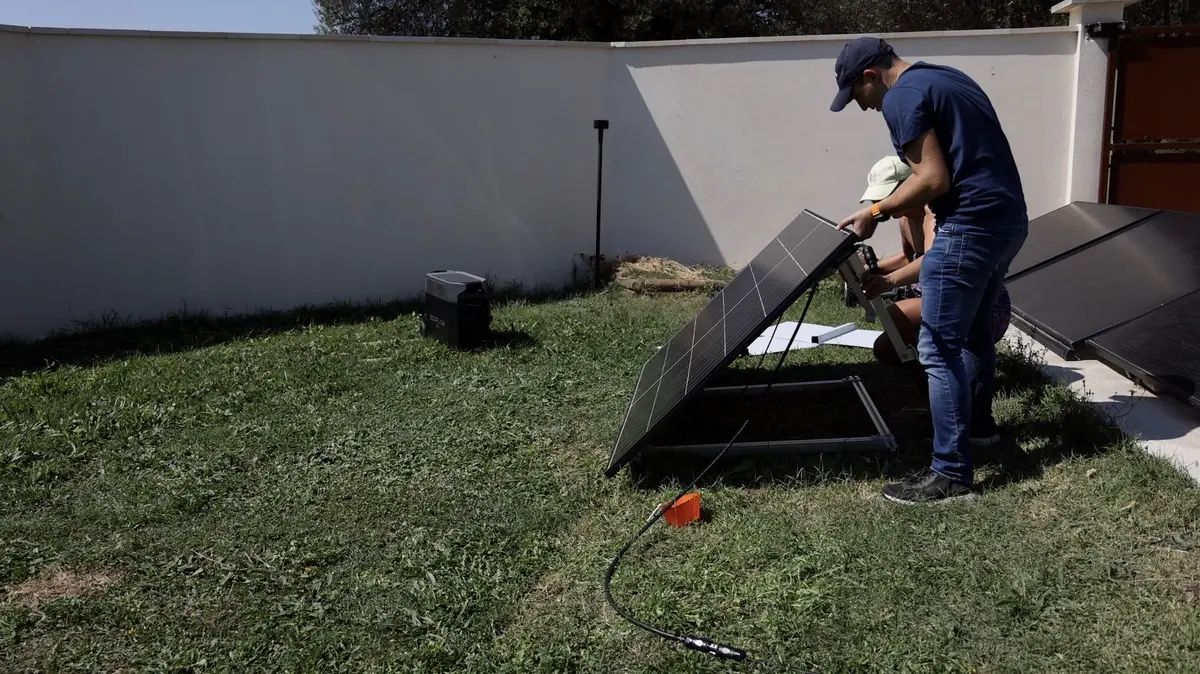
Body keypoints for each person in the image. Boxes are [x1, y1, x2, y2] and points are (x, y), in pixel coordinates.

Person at [830, 37, 1029, 505]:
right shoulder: (948, 77)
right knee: (975, 333)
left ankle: (951, 474)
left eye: (857, 96)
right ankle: (978, 430)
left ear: (870, 76)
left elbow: (932, 179)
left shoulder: (902, 96)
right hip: (1008, 221)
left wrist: (874, 212)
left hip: (970, 224)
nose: (862, 108)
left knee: (938, 348)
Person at [854, 156, 1013, 368]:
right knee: (885, 348)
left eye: (886, 196)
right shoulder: (905, 220)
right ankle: (939, 364)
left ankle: (950, 366)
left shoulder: (936, 216)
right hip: (937, 300)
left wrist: (889, 281)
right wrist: (872, 270)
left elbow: (934, 261)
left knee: (894, 315)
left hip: (977, 305)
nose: (880, 204)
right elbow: (907, 258)